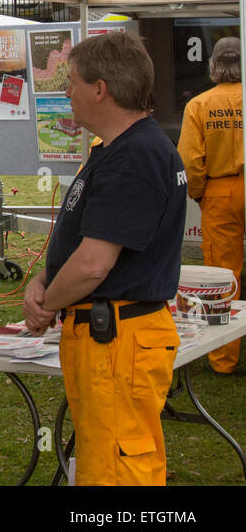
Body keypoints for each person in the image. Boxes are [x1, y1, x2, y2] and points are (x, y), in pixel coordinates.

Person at [22, 32, 186, 486]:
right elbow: (83, 244)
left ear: (100, 89)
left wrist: (46, 304)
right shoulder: (119, 149)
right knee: (110, 459)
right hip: (111, 336)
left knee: (116, 470)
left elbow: (95, 263)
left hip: (116, 338)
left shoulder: (134, 155)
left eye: (71, 82)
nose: (66, 92)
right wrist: (45, 278)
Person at [176, 36, 242, 373]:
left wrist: (200, 192)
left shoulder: (199, 105)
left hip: (219, 191)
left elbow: (191, 160)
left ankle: (223, 359)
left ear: (213, 65)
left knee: (223, 274)